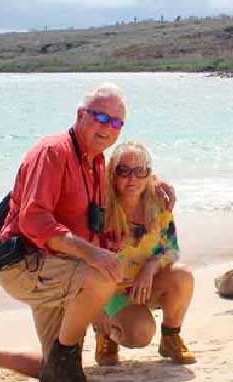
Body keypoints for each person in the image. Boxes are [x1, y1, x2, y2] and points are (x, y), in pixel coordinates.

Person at [0, 83, 174, 382]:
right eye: (101, 117)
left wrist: (153, 180)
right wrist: (92, 253)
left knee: (54, 367)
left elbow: (125, 179)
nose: (108, 128)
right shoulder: (53, 152)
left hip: (59, 269)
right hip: (26, 264)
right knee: (102, 273)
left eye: (116, 123)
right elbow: (33, 220)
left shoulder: (95, 161)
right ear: (80, 115)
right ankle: (66, 357)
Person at [94, 141, 195, 366]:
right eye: (124, 170)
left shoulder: (159, 203)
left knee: (183, 276)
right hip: (110, 291)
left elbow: (171, 249)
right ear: (112, 172)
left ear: (149, 173)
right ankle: (105, 331)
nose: (133, 178)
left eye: (140, 171)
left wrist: (150, 268)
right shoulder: (100, 206)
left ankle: (171, 338)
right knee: (139, 336)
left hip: (146, 285)